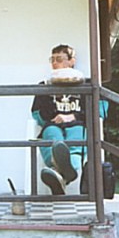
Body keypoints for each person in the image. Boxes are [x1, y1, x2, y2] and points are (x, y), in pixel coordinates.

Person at [31, 44, 86, 195]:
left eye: (59, 59)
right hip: (53, 125)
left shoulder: (85, 84)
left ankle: (57, 174)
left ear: (72, 61)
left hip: (77, 124)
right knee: (51, 135)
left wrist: (72, 116)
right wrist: (52, 117)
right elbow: (36, 113)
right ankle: (65, 174)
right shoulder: (44, 85)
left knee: (76, 135)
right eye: (52, 59)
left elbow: (98, 110)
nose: (55, 63)